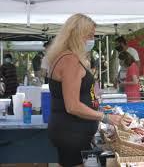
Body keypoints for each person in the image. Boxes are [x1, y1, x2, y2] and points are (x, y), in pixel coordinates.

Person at [45, 13, 131, 167]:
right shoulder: (69, 60)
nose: (92, 40)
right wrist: (106, 117)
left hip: (73, 131)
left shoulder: (66, 57)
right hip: (71, 132)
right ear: (77, 35)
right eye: (89, 36)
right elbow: (72, 106)